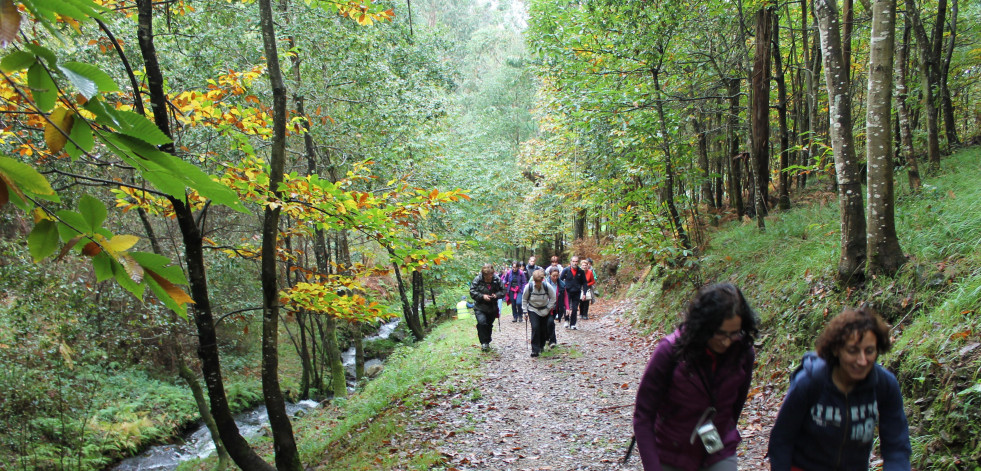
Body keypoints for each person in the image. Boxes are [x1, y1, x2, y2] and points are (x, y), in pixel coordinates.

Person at [767, 307, 911, 471]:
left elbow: (897, 447)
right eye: (852, 351)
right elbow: (781, 439)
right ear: (836, 350)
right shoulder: (810, 382)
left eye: (869, 351)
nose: (862, 361)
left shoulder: (885, 385)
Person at [633, 283, 758, 471]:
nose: (726, 341)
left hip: (718, 451)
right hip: (671, 453)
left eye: (733, 333)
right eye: (720, 333)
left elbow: (735, 408)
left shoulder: (742, 353)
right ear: (704, 325)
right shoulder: (670, 351)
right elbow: (643, 415)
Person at [469, 264, 505, 352]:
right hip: (480, 307)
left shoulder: (497, 279)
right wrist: (482, 296)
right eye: (488, 275)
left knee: (489, 325)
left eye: (491, 274)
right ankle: (483, 343)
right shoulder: (477, 279)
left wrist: (496, 295)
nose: (490, 277)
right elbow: (472, 291)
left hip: (492, 307)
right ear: (484, 275)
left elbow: (503, 291)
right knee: (482, 323)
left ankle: (487, 341)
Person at [522, 269, 556, 357]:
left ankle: (541, 345)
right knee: (535, 327)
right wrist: (525, 311)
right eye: (536, 281)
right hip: (533, 309)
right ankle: (535, 350)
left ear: (542, 280)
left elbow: (553, 298)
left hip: (545, 310)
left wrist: (548, 307)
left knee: (543, 329)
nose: (538, 283)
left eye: (539, 281)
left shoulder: (547, 286)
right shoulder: (528, 287)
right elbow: (524, 299)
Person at [559, 255, 587, 330]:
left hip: (577, 292)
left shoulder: (581, 271)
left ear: (578, 262)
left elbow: (584, 282)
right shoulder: (566, 270)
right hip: (567, 291)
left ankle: (573, 323)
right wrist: (561, 289)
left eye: (576, 261)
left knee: (574, 308)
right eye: (573, 261)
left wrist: (584, 293)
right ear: (571, 262)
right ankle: (566, 320)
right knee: (566, 307)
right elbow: (560, 280)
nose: (575, 263)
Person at [545, 268, 566, 347]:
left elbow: (565, 296)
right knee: (550, 322)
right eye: (553, 276)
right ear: (550, 275)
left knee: (550, 322)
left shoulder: (561, 284)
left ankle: (548, 338)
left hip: (555, 307)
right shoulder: (545, 283)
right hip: (546, 307)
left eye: (557, 276)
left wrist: (567, 308)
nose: (555, 277)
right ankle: (552, 340)